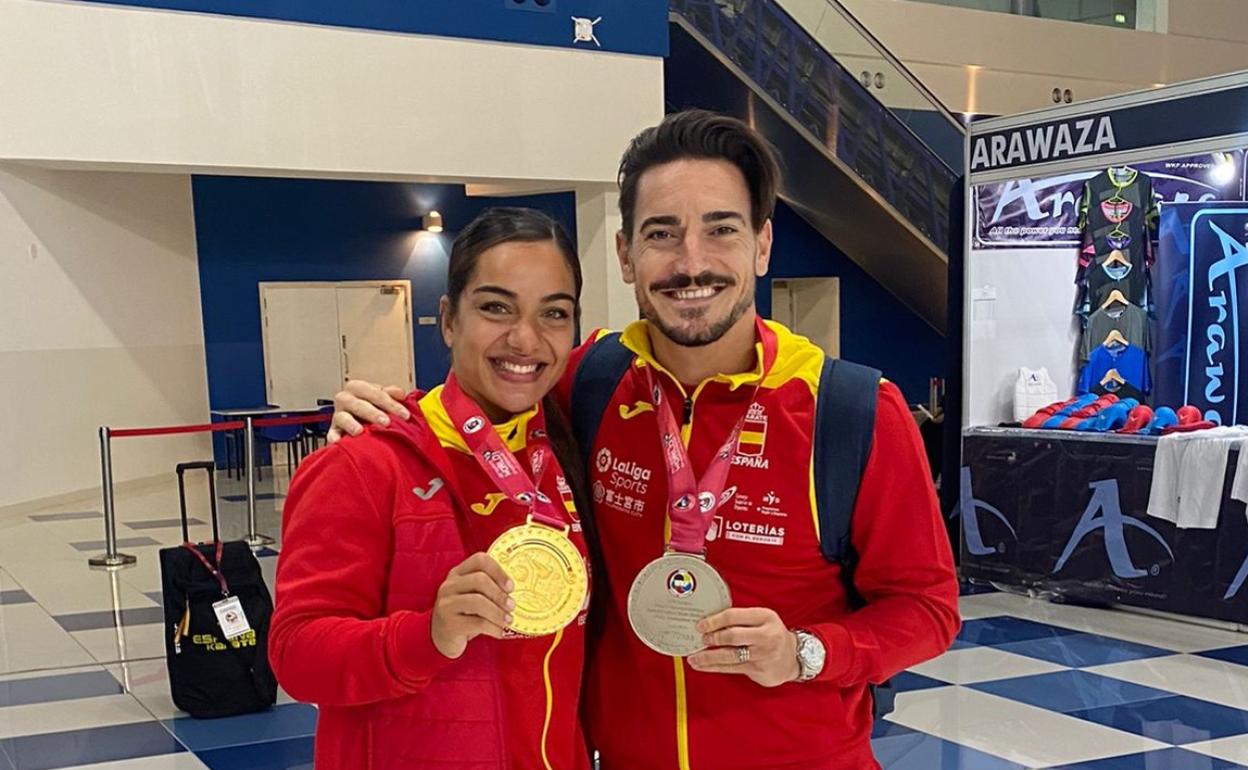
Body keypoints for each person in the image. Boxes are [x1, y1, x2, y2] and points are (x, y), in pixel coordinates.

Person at [329, 110, 961, 770]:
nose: (692, 264)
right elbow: (491, 399)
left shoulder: (853, 411)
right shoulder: (591, 382)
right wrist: (381, 421)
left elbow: (927, 609)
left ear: (763, 245)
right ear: (627, 254)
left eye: (721, 230)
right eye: (663, 234)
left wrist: (806, 652)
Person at [269, 207, 594, 770]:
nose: (525, 339)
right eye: (496, 307)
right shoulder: (367, 463)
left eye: (554, 314)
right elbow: (296, 654)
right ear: (448, 319)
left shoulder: (572, 443)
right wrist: (428, 635)